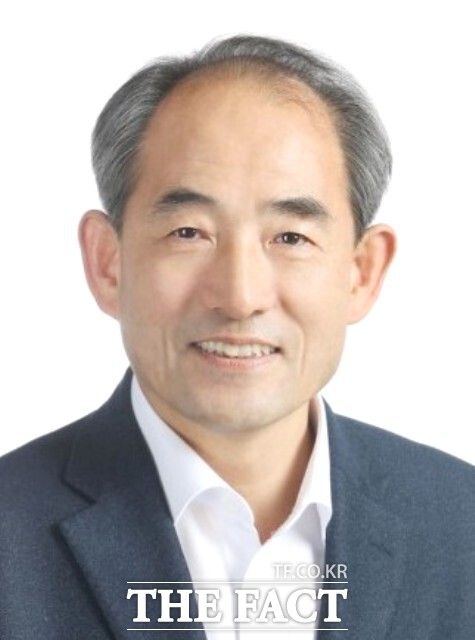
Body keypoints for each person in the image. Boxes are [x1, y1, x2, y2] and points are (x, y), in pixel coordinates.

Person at [0, 35, 473, 640]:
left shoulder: (461, 526)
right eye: (189, 232)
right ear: (107, 262)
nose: (240, 295)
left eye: (291, 238)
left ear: (362, 272)